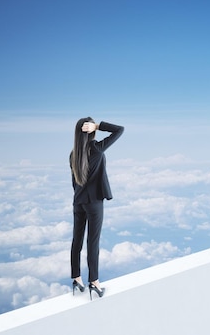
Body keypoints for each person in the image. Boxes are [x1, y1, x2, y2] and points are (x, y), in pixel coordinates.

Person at [69, 117, 124, 299]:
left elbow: (74, 183)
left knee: (76, 241)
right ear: (91, 130)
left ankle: (76, 279)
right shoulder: (97, 149)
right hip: (94, 203)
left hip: (78, 202)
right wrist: (99, 126)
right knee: (92, 242)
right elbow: (119, 130)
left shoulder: (73, 154)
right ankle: (94, 283)